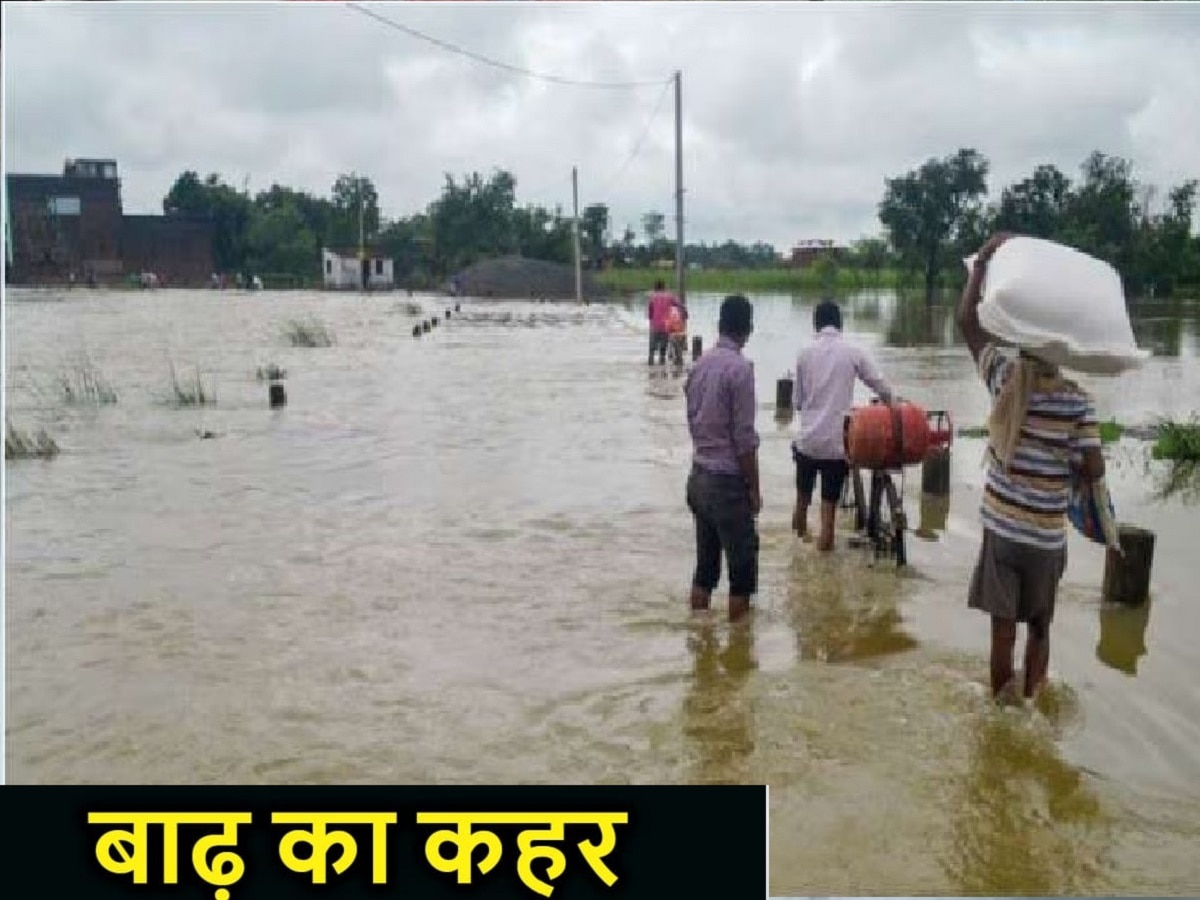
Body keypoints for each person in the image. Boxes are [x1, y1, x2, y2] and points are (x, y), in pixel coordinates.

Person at [956, 233, 1104, 705]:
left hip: (1002, 530)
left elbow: (966, 322)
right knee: (1040, 628)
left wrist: (980, 265)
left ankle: (1001, 710)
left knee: (1003, 633)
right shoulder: (1077, 401)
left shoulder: (1004, 378)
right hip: (1045, 535)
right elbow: (1094, 467)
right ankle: (1034, 708)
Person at [791, 299, 893, 551]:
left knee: (802, 502)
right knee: (828, 517)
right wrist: (894, 403)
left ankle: (797, 555)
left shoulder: (804, 353)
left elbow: (796, 403)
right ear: (840, 323)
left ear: (816, 324)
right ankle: (824, 564)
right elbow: (879, 383)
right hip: (836, 446)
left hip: (808, 443)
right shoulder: (852, 351)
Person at [684, 295, 760, 621]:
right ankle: (739, 661)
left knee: (705, 570)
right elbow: (744, 441)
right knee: (741, 576)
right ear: (749, 329)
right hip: (727, 483)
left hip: (698, 477)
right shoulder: (740, 370)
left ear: (719, 326)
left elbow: (692, 415)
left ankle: (700, 646)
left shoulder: (699, 364)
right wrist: (754, 489)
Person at [646, 279, 677, 366]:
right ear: (664, 287)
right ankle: (662, 369)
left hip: (655, 325)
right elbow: (678, 305)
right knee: (663, 349)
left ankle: (651, 366)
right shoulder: (670, 296)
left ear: (655, 288)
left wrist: (651, 319)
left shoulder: (652, 297)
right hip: (666, 326)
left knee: (651, 349)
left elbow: (650, 312)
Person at [666, 297, 688, 366]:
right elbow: (686, 317)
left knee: (674, 348)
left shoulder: (669, 310)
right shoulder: (682, 308)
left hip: (674, 334)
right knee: (679, 350)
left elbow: (668, 326)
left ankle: (675, 360)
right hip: (682, 333)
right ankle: (679, 362)